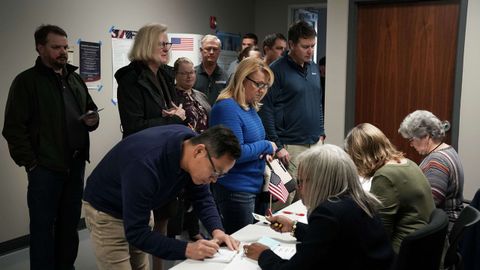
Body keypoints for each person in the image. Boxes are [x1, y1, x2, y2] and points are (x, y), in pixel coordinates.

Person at [2, 24, 99, 270]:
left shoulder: (74, 78)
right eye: (56, 47)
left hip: (75, 165)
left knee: (69, 227)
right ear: (40, 48)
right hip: (45, 169)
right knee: (43, 229)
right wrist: (32, 163)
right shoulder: (26, 82)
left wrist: (92, 119)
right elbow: (13, 129)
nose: (63, 52)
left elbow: (90, 108)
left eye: (65, 47)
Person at [83, 125, 241, 270]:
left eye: (220, 176)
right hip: (107, 211)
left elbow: (202, 196)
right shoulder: (144, 164)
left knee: (140, 265)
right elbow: (137, 233)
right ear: (199, 151)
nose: (213, 180)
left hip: (140, 207)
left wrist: (218, 231)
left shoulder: (190, 147)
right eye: (215, 172)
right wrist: (187, 249)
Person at [244, 144, 394, 270]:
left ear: (319, 182)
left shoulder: (328, 213)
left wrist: (263, 255)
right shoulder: (361, 201)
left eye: (301, 181)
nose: (298, 187)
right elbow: (332, 238)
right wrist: (294, 227)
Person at [259, 21, 325, 209]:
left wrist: (321, 131)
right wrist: (278, 146)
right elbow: (267, 110)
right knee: (284, 200)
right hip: (290, 146)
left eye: (312, 46)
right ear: (291, 45)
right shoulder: (277, 70)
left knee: (310, 198)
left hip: (314, 142)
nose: (310, 51)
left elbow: (317, 102)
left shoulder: (313, 68)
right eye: (305, 46)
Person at [210, 57, 277, 234]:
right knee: (240, 246)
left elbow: (251, 145)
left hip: (254, 186)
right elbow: (235, 152)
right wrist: (266, 146)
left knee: (254, 242)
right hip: (236, 190)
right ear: (242, 79)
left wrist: (262, 152)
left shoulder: (248, 107)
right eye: (258, 84)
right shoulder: (227, 107)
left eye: (266, 86)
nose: (262, 90)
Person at [344, 123, 435, 253]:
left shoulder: (385, 176)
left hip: (404, 254)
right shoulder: (408, 163)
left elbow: (379, 233)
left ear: (361, 156)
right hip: (427, 249)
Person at [167, 57, 211, 241]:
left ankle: (194, 231)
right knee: (180, 195)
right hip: (184, 153)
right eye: (184, 73)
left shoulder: (200, 95)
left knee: (198, 190)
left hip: (204, 151)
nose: (189, 76)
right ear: (175, 75)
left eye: (192, 72)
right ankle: (172, 235)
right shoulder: (171, 97)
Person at [115, 23, 185, 139]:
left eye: (167, 44)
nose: (166, 49)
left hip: (163, 144)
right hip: (143, 149)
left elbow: (169, 109)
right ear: (146, 45)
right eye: (160, 44)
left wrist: (173, 113)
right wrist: (173, 119)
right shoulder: (130, 79)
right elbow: (134, 127)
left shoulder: (165, 75)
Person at [399, 110, 464, 224]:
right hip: (445, 222)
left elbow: (430, 201)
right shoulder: (448, 150)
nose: (411, 144)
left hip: (441, 228)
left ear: (426, 136)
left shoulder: (437, 160)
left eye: (411, 139)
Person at [193, 34, 228, 105]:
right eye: (208, 49)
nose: (211, 52)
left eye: (215, 49)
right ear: (201, 50)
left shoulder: (225, 76)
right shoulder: (192, 74)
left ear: (219, 51)